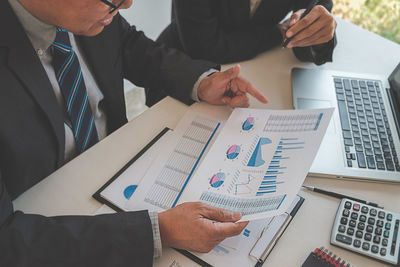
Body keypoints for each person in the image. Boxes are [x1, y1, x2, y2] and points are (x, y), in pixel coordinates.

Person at [0, 0, 269, 265]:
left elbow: (129, 44)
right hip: (48, 221)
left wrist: (201, 82)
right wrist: (158, 232)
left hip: (118, 172)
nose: (126, 5)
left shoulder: (97, 13)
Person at [157, 0, 337, 65]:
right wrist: (277, 33)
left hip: (253, 69)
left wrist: (317, 34)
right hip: (180, 66)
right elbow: (205, 48)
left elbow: (303, 49)